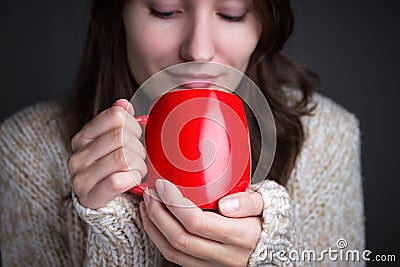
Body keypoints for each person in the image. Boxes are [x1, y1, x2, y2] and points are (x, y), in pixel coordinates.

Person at [0, 0, 365, 266]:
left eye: (232, 13)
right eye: (164, 10)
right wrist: (117, 231)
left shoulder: (327, 139)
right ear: (117, 14)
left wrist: (272, 257)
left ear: (265, 23)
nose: (198, 50)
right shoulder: (25, 150)